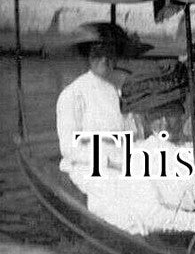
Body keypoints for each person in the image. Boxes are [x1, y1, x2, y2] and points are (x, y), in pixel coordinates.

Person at [87, 61, 195, 236]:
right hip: (182, 235)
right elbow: (152, 215)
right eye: (156, 118)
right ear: (147, 120)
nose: (164, 124)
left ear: (183, 113)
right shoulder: (140, 158)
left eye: (171, 114)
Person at [55, 22, 149, 192]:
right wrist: (109, 161)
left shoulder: (128, 84)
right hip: (90, 169)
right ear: (88, 55)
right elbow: (69, 148)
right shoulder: (74, 94)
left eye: (110, 53)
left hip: (130, 165)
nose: (105, 59)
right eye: (98, 53)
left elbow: (141, 133)